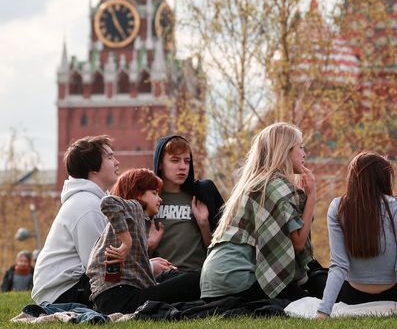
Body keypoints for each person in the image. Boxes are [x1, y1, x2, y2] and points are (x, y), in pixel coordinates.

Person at [199, 122, 317, 302]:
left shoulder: (255, 183)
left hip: (211, 280)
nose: (304, 153)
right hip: (237, 279)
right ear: (285, 150)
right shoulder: (275, 187)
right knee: (309, 303)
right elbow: (299, 243)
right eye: (300, 147)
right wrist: (311, 196)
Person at [316, 152, 397, 318]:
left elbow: (339, 265)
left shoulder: (338, 207)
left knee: (316, 274)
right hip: (395, 293)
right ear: (385, 178)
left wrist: (323, 311)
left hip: (351, 296)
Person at [86, 168, 202, 314]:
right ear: (139, 194)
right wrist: (126, 242)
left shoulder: (134, 220)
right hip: (122, 298)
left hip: (113, 299)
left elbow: (134, 272)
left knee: (172, 276)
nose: (160, 199)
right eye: (154, 193)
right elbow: (107, 202)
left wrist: (148, 247)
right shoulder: (134, 207)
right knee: (196, 280)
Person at [32, 135, 119, 305]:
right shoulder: (87, 205)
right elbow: (98, 267)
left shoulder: (92, 201)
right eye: (110, 157)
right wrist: (148, 270)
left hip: (69, 287)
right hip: (63, 294)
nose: (116, 162)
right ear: (93, 168)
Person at [149, 135, 225, 272]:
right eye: (175, 160)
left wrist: (204, 225)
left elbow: (218, 251)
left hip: (197, 278)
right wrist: (150, 246)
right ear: (160, 164)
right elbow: (136, 259)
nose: (183, 167)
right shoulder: (148, 199)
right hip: (161, 281)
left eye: (187, 161)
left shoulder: (201, 194)